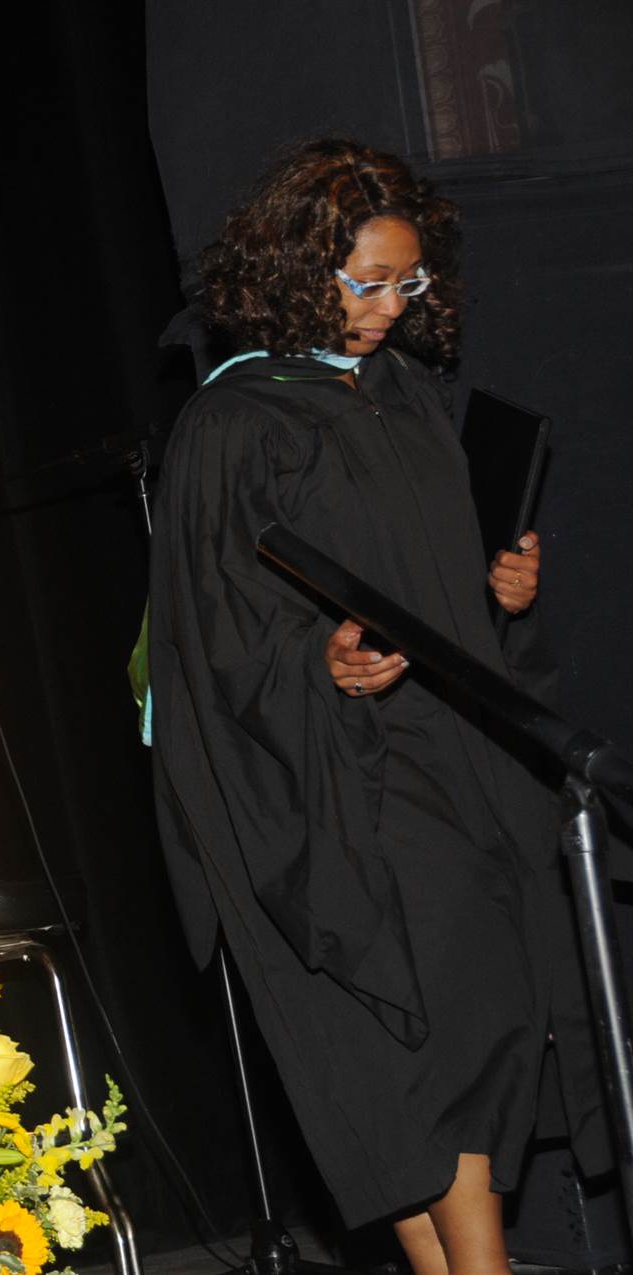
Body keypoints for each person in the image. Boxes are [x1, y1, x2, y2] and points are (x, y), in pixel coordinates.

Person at [149, 140, 605, 1266]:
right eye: (368, 282)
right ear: (303, 268)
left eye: (409, 282)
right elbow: (216, 632)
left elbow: (450, 589)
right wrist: (323, 667)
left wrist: (503, 589)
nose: (392, 306)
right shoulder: (236, 425)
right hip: (339, 783)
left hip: (460, 764)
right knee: (416, 1041)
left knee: (477, 1031)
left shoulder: (407, 399)